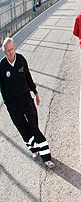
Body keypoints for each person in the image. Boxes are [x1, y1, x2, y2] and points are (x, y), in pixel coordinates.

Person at [0, 38, 55, 168]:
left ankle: (47, 157)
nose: (11, 52)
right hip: (13, 105)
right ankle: (34, 150)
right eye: (8, 51)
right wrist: (8, 106)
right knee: (23, 130)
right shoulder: (2, 66)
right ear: (4, 52)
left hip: (26, 100)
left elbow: (28, 77)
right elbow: (2, 88)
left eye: (12, 49)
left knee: (34, 128)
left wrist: (35, 92)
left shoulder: (21, 60)